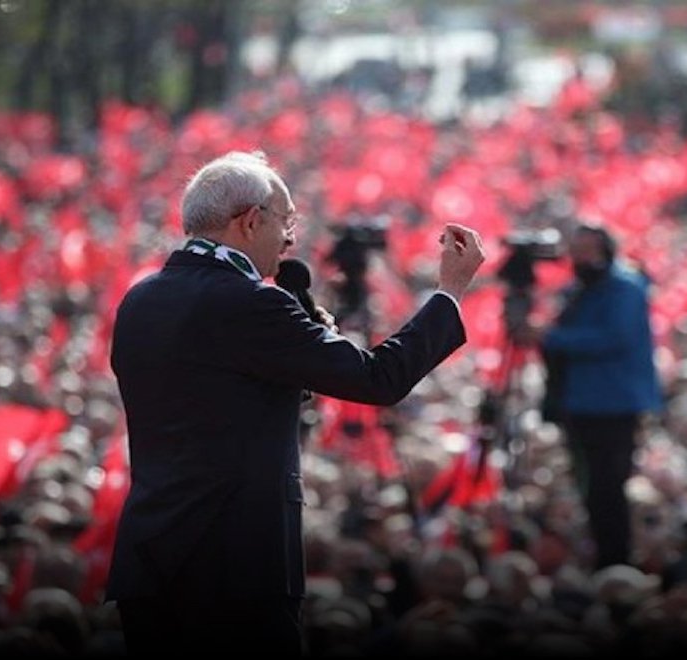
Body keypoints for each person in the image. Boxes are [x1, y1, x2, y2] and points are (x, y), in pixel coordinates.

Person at [104, 150, 485, 655]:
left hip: (150, 558)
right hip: (234, 567)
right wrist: (449, 293)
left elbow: (218, 397)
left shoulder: (140, 299)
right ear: (251, 221)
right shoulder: (250, 303)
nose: (290, 238)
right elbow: (377, 380)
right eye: (286, 220)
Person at [531, 222, 662, 570]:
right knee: (590, 487)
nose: (579, 256)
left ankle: (615, 558)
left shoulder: (625, 288)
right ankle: (602, 550)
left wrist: (551, 337)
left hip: (612, 404)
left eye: (586, 249)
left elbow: (614, 337)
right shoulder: (579, 289)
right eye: (576, 249)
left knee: (608, 487)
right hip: (581, 403)